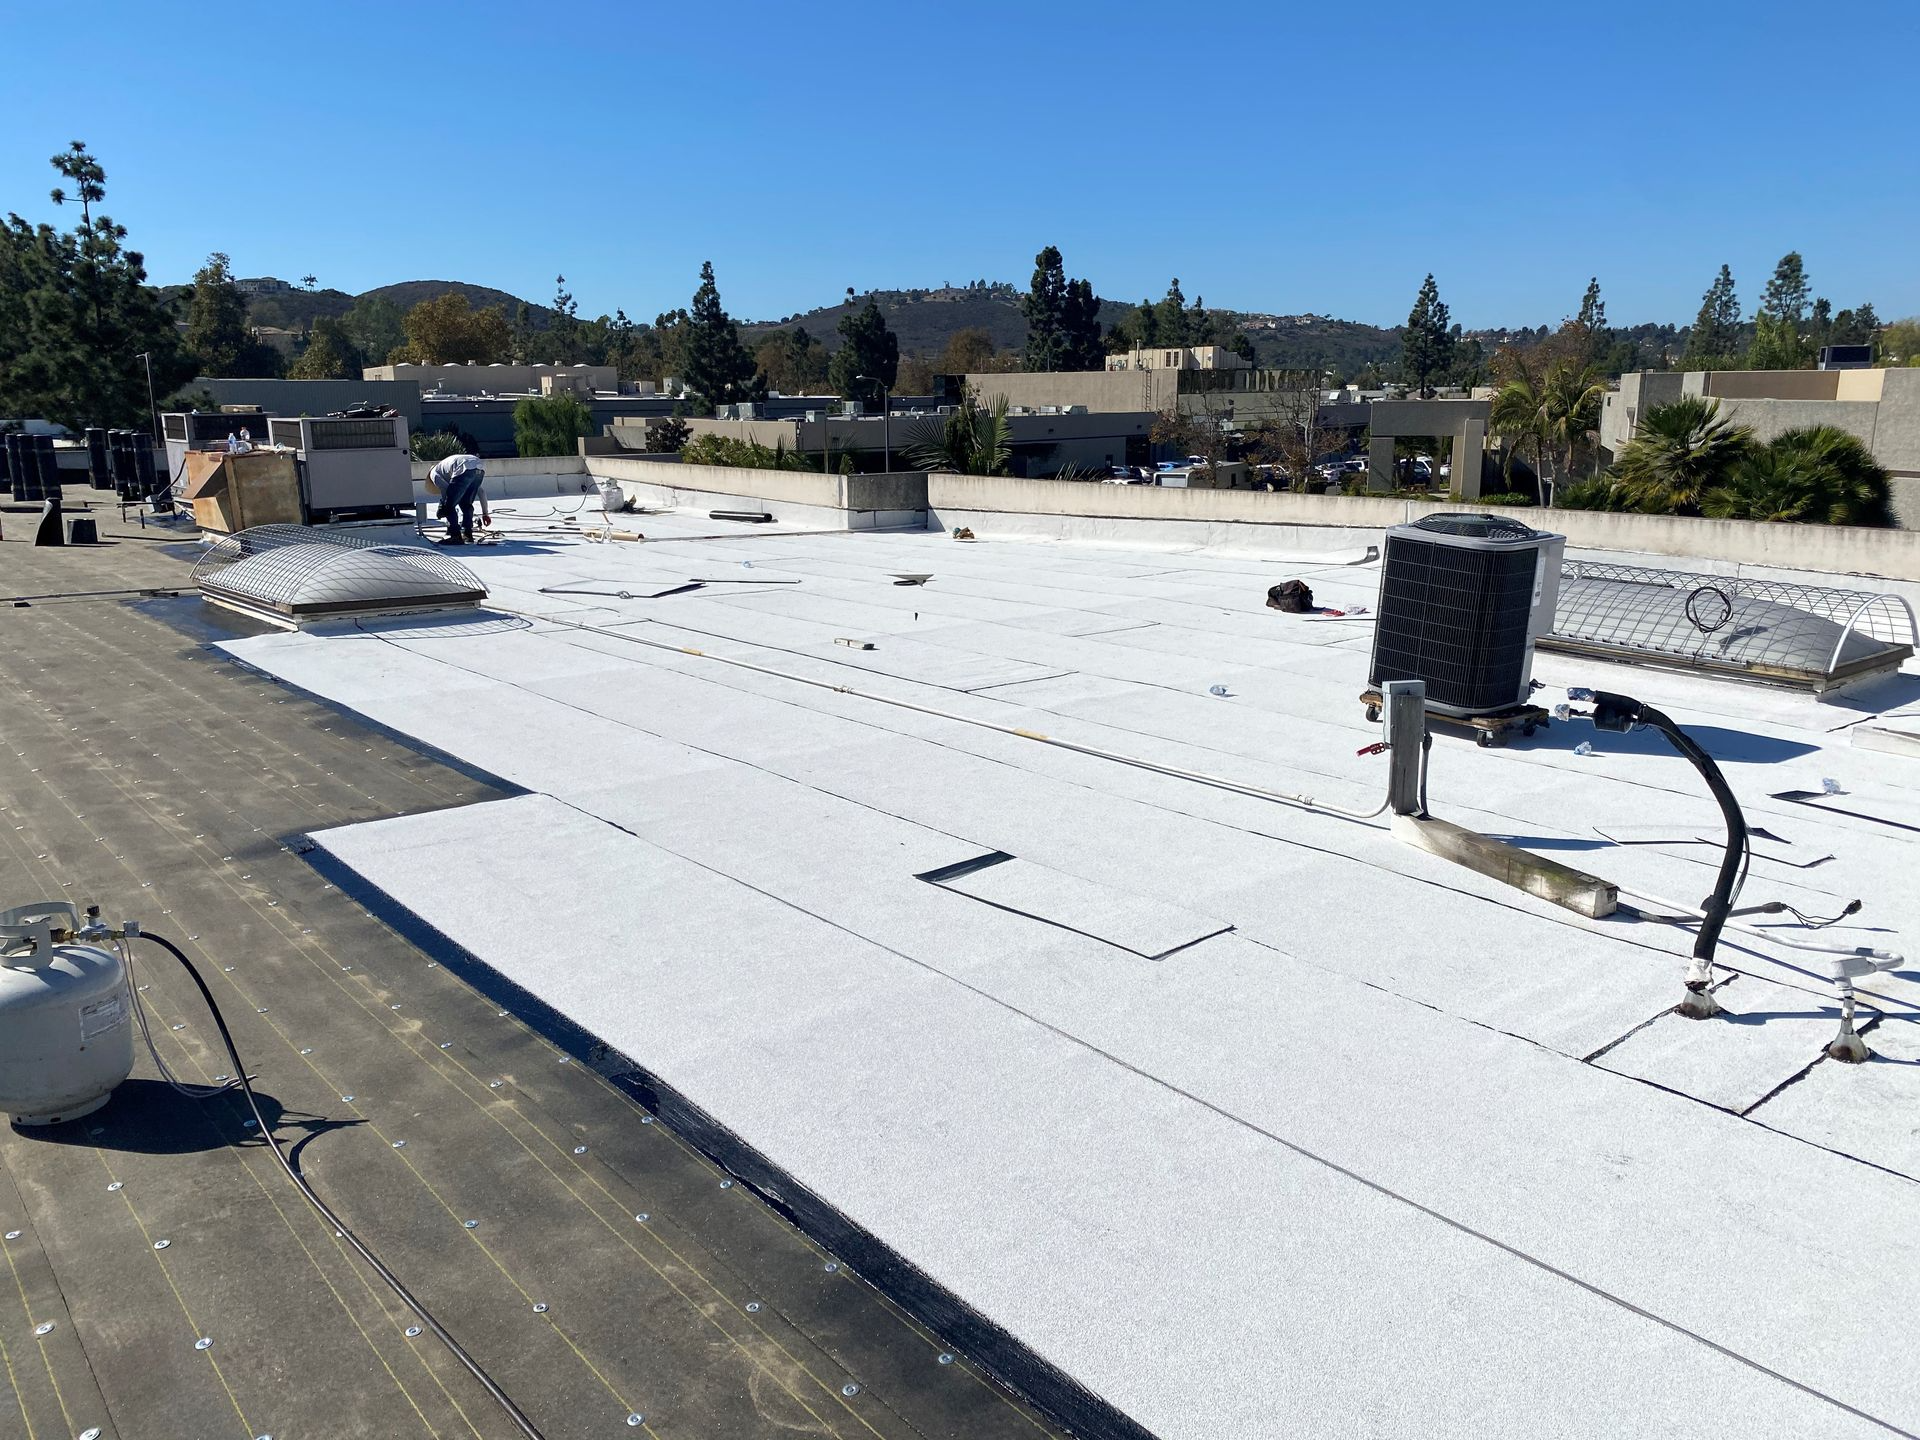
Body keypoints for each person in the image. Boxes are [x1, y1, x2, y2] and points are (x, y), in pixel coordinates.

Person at [427, 452, 485, 544]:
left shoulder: (433, 474)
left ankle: (455, 536)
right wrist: (485, 513)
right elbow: (481, 491)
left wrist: (443, 506)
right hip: (479, 468)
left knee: (449, 506)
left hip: (463, 468)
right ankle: (467, 534)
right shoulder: (445, 468)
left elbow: (446, 490)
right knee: (466, 504)